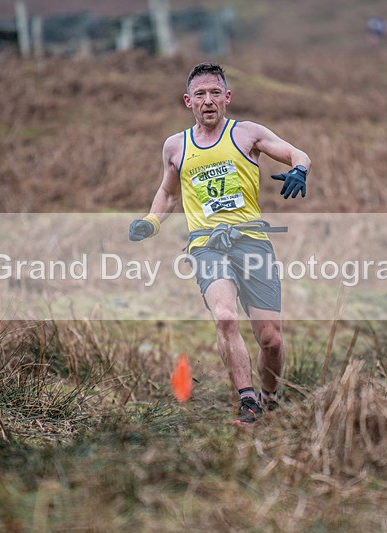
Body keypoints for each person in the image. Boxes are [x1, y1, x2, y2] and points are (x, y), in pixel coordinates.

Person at [129, 62, 311, 425]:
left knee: (271, 340)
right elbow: (167, 192)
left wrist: (299, 169)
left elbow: (297, 153)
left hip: (252, 242)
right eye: (200, 94)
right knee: (225, 317)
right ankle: (247, 401)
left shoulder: (246, 134)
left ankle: (270, 395)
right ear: (188, 101)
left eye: (215, 93)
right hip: (206, 246)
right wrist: (151, 223)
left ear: (227, 98)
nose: (208, 101)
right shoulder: (175, 146)